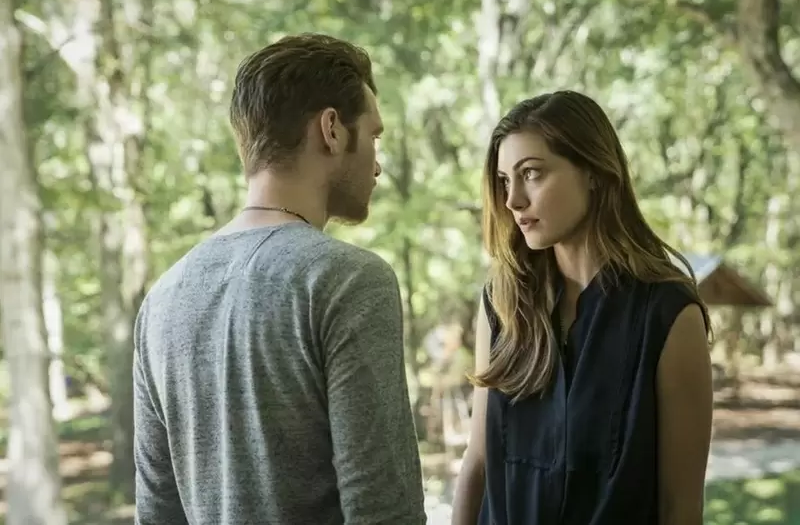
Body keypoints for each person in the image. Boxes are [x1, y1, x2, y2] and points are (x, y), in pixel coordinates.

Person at [132, 33, 426, 525]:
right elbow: (384, 511)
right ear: (331, 129)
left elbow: (157, 514)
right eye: (373, 137)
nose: (376, 164)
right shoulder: (348, 281)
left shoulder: (162, 299)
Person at [451, 91, 714, 525]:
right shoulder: (502, 303)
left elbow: (680, 508)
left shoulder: (668, 315)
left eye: (531, 173)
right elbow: (478, 461)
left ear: (593, 172)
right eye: (504, 180)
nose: (513, 200)